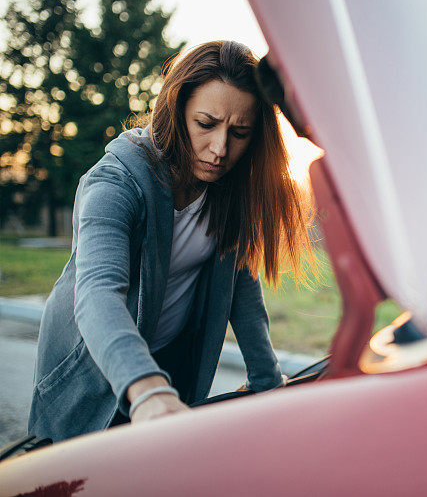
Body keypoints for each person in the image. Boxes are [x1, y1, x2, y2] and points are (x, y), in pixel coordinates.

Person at [28, 40, 314, 442]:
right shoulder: (116, 181)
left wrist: (269, 383)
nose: (219, 149)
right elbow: (97, 292)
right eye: (206, 123)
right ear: (176, 111)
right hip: (91, 377)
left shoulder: (229, 192)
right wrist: (146, 388)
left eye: (239, 132)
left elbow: (241, 291)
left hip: (166, 374)